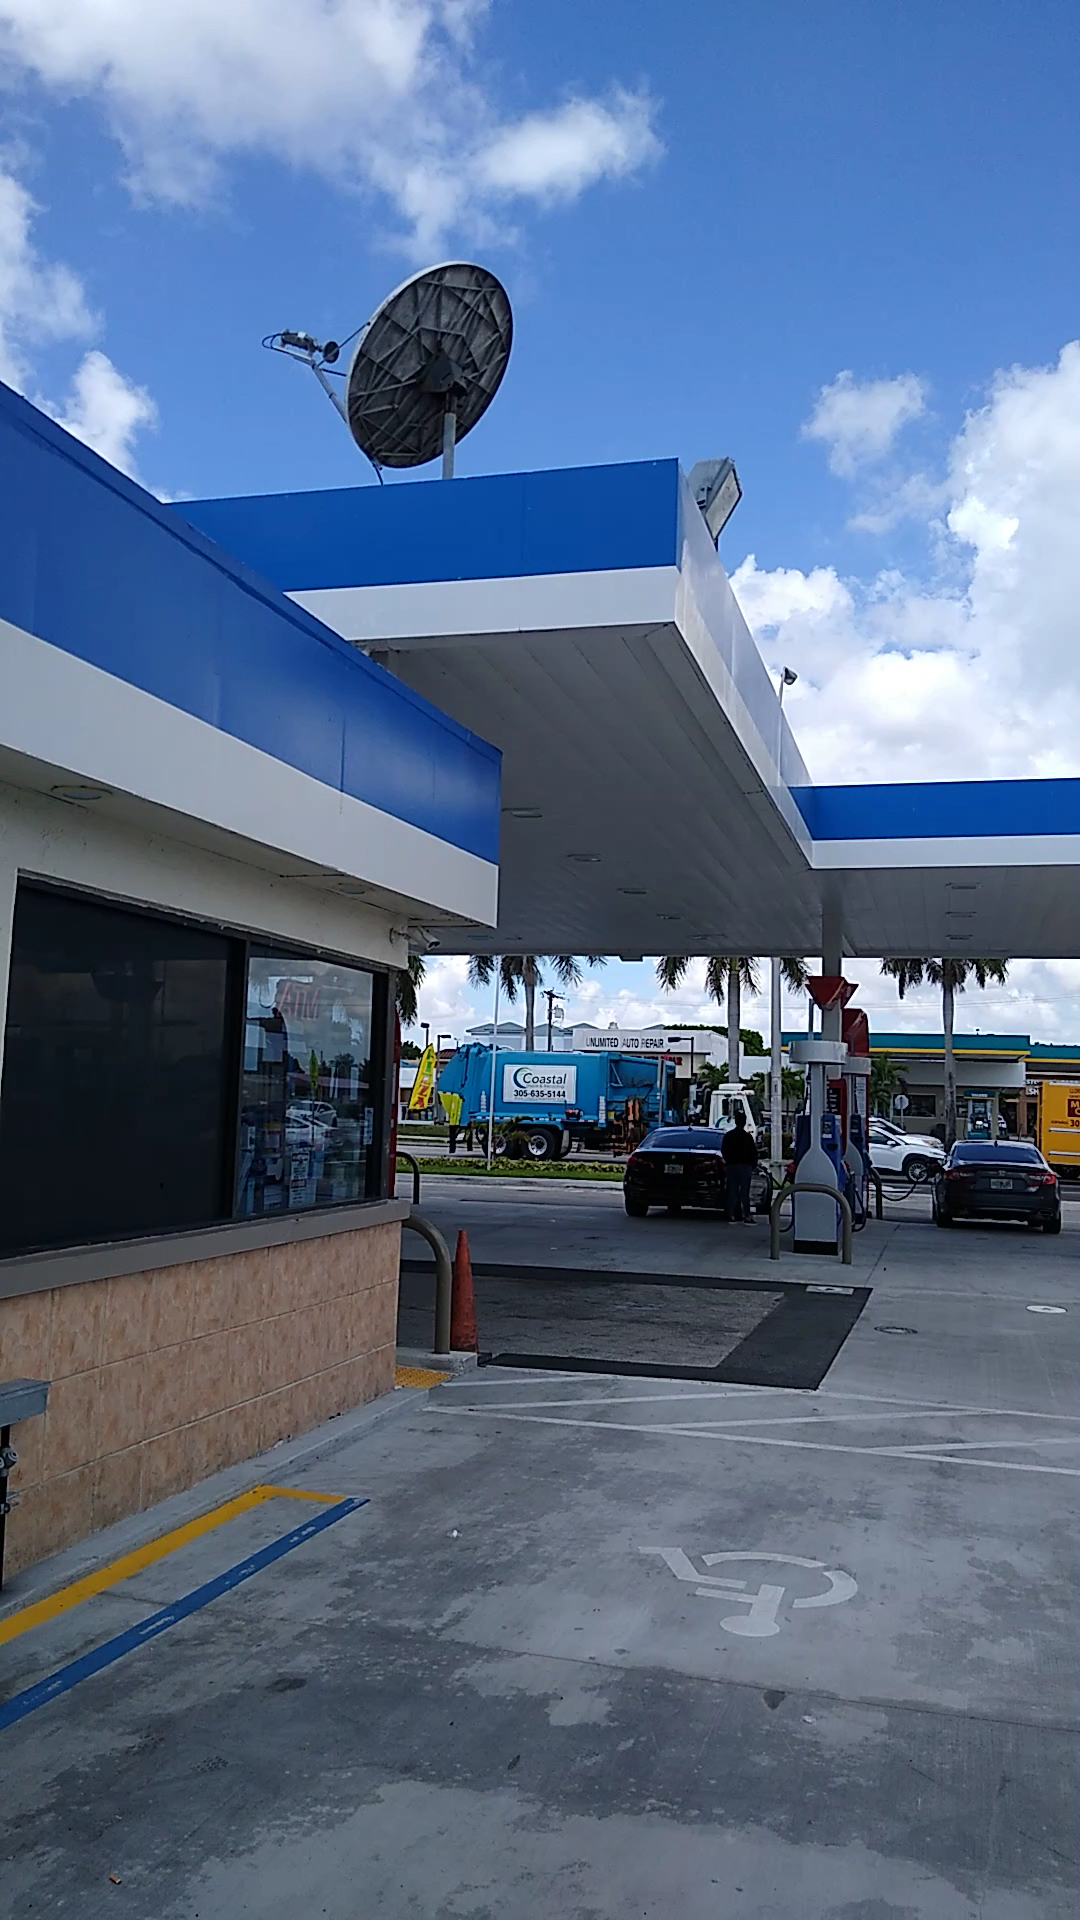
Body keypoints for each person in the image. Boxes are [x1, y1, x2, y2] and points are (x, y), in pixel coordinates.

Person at [721, 1112, 758, 1222]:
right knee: (745, 1192)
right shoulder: (747, 1137)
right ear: (744, 1122)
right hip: (745, 1166)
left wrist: (728, 1162)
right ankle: (747, 1215)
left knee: (732, 1191)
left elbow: (724, 1150)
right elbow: (753, 1152)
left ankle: (731, 1214)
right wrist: (753, 1164)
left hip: (732, 1166)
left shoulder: (729, 1136)